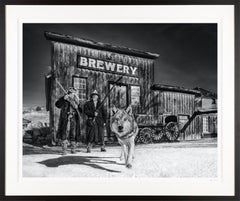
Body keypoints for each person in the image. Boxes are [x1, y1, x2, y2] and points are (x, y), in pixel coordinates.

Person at [55, 87, 82, 155]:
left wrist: (77, 107)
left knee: (73, 133)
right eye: (70, 92)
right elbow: (57, 105)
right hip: (65, 118)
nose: (71, 93)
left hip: (74, 118)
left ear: (75, 93)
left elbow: (81, 110)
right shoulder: (64, 99)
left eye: (73, 92)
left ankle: (73, 149)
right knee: (64, 133)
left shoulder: (77, 100)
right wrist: (63, 99)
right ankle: (64, 150)